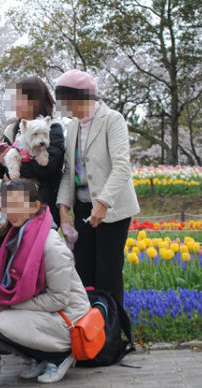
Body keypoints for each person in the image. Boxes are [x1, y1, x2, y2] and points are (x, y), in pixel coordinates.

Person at [0, 179, 90, 384]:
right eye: (7, 205)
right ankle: (38, 356)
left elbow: (59, 299)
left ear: (35, 206)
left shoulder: (50, 244)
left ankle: (60, 356)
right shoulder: (13, 235)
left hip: (67, 316)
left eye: (18, 205)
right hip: (41, 309)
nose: (11, 211)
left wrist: (11, 305)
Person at [55, 69, 140, 305]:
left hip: (111, 210)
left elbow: (122, 167)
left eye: (64, 98)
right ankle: (89, 331)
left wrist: (102, 203)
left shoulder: (112, 119)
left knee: (108, 272)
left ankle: (112, 333)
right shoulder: (72, 127)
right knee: (83, 272)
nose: (62, 104)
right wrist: (63, 207)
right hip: (82, 208)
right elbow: (69, 172)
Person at [0, 77, 65, 223]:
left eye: (18, 99)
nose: (13, 104)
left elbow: (50, 165)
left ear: (34, 100)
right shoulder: (11, 130)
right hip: (16, 201)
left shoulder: (53, 126)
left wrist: (15, 167)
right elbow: (0, 170)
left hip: (44, 199)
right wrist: (2, 162)